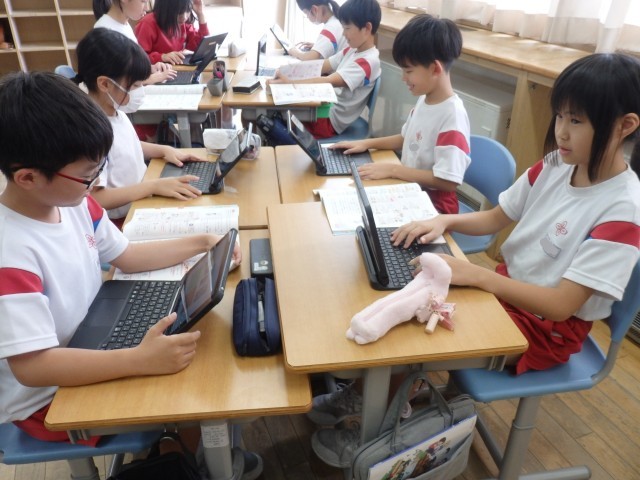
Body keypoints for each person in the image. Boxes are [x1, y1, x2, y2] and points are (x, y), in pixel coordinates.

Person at [309, 52, 640, 468]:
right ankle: (372, 398)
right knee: (409, 294)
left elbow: (561, 306)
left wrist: (479, 277)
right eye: (559, 116)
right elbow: (497, 217)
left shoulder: (622, 210)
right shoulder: (557, 163)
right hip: (509, 293)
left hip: (548, 329)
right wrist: (442, 220)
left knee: (414, 336)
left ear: (625, 125)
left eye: (576, 121)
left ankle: (375, 437)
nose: (561, 131)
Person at [0, 70, 242, 443]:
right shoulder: (11, 255)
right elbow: (33, 367)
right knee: (198, 394)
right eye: (88, 176)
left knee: (207, 354)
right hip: (50, 397)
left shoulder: (71, 202)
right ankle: (188, 454)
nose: (96, 182)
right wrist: (138, 360)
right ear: (28, 178)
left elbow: (127, 256)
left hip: (97, 332)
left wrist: (202, 242)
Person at [332, 14, 470, 214]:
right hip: (412, 188)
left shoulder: (452, 115)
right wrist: (365, 144)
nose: (403, 78)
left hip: (436, 205)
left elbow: (448, 181)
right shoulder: (426, 99)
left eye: (409, 71)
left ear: (435, 69)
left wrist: (393, 170)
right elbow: (407, 138)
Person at [75, 28, 206, 229]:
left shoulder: (113, 108)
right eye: (135, 86)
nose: (139, 91)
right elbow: (95, 199)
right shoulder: (91, 130)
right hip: (122, 221)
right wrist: (153, 186)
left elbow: (125, 145)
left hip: (141, 199)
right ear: (105, 84)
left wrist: (164, 150)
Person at [268, 0, 381, 140]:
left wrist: (290, 83)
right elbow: (320, 66)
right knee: (275, 111)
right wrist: (287, 71)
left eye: (347, 28)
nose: (343, 34)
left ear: (367, 28)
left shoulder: (367, 62)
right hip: (325, 107)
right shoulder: (352, 50)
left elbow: (328, 80)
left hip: (328, 121)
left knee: (271, 115)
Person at [93, 0, 176, 84]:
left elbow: (127, 68)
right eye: (143, 1)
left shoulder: (123, 24)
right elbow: (116, 82)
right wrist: (152, 78)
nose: (147, 8)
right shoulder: (105, 31)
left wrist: (150, 68)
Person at [134, 0, 209, 66]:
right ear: (165, 9)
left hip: (176, 68)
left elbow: (202, 47)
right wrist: (162, 57)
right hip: (156, 72)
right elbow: (138, 59)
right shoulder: (147, 24)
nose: (184, 17)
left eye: (188, 10)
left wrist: (200, 14)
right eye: (179, 12)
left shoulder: (183, 23)